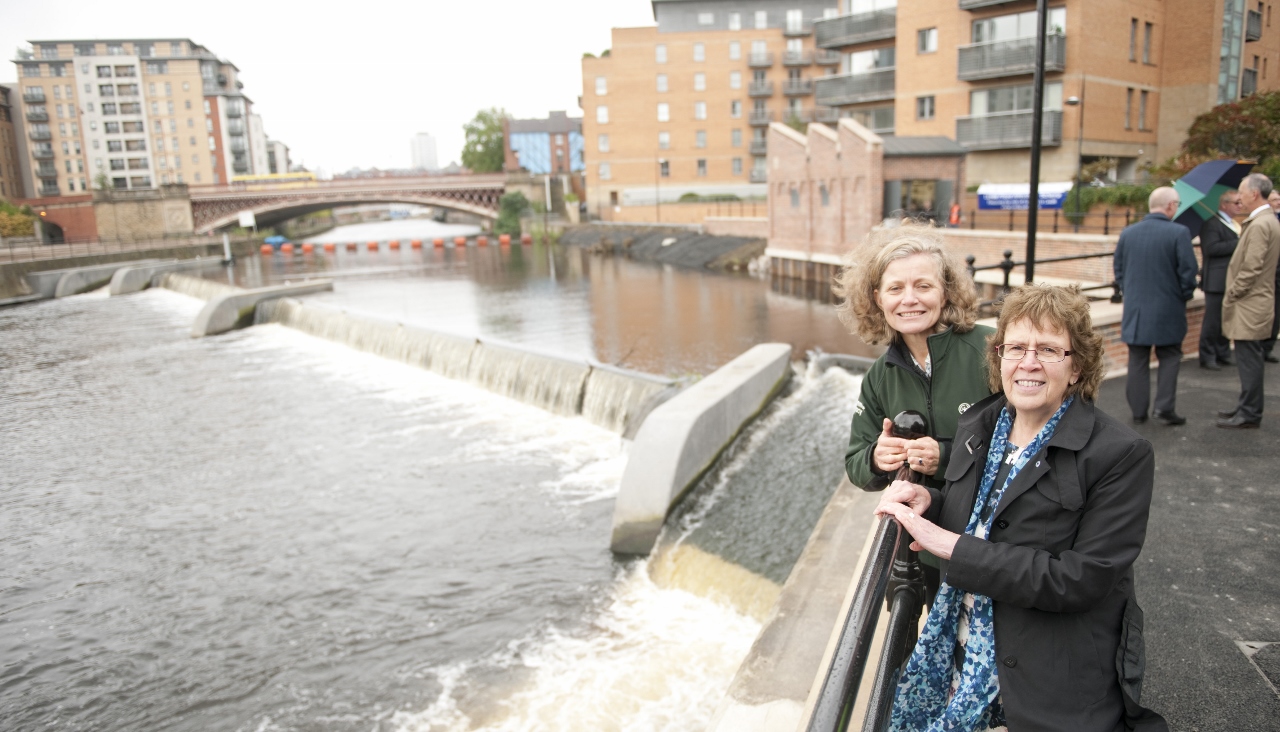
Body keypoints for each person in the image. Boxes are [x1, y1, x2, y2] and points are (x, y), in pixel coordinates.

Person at [876, 284, 1167, 732]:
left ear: (1077, 367)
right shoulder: (982, 424)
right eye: (1016, 348)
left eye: (1049, 349)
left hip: (1044, 671)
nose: (1028, 362)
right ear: (999, 358)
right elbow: (982, 514)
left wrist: (954, 547)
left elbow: (1083, 579)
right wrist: (930, 502)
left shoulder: (1120, 454)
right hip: (961, 644)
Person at [837, 223, 995, 600]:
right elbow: (856, 463)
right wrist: (877, 458)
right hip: (922, 550)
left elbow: (1030, 446)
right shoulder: (880, 375)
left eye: (923, 286)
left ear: (946, 291)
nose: (910, 299)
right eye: (895, 288)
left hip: (992, 544)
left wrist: (946, 456)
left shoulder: (991, 352)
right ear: (877, 298)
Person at [1113, 186, 1198, 425]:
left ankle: (1138, 412)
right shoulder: (1179, 233)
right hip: (1169, 309)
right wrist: (1183, 294)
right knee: (1170, 357)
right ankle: (1164, 408)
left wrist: (1131, 293)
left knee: (1137, 360)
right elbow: (1189, 272)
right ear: (1170, 205)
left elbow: (1118, 270)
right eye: (1177, 205)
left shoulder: (1128, 233)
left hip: (1136, 311)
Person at [1219, 173, 1280, 428]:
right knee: (1249, 361)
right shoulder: (1267, 220)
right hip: (1255, 302)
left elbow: (1252, 267)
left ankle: (1249, 413)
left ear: (1254, 194)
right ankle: (1246, 408)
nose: (1239, 198)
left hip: (1250, 304)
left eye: (1242, 193)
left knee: (1249, 361)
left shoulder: (1260, 224)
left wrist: (1233, 293)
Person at [1197, 190, 1242, 370]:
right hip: (1216, 280)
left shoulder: (1233, 224)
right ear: (1224, 204)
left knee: (1226, 319)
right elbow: (1211, 248)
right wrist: (1239, 242)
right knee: (1213, 321)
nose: (1239, 206)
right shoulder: (1212, 224)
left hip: (1230, 278)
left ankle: (1222, 352)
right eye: (1236, 203)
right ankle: (1207, 355)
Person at [1262, 189, 1280, 363]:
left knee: (1277, 313)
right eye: (1275, 199)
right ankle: (1262, 347)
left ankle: (1268, 347)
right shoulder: (1264, 223)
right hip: (1270, 273)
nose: (1278, 202)